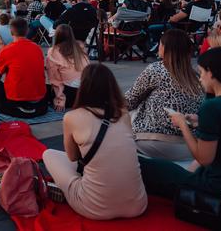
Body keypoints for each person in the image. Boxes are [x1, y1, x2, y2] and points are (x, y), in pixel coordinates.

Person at [139, 47, 221, 198]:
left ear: (211, 73)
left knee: (146, 166)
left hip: (217, 185)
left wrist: (183, 125)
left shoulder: (212, 107)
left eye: (202, 73)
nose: (200, 78)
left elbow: (204, 159)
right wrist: (201, 123)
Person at [43, 64, 148, 220]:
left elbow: (72, 157)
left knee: (49, 154)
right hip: (137, 205)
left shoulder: (72, 117)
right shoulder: (123, 114)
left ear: (84, 87)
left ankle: (74, 187)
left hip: (94, 207)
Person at [125, 30, 204, 161]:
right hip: (188, 145)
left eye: (160, 44)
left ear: (166, 48)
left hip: (155, 141)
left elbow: (129, 101)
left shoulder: (156, 70)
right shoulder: (195, 76)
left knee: (122, 117)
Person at [0, 18, 47, 118]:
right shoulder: (37, 48)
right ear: (27, 30)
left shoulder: (6, 50)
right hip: (38, 99)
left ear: (11, 32)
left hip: (15, 99)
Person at [46, 24, 88, 111]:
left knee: (44, 89)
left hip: (70, 95)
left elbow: (55, 79)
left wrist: (60, 100)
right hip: (86, 92)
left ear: (56, 36)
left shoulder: (53, 51)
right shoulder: (80, 46)